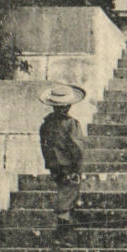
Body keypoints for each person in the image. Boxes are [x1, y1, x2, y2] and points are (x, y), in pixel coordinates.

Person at [38, 83, 87, 235]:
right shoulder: (71, 124)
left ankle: (63, 227)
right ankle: (62, 232)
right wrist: (78, 168)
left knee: (64, 192)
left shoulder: (46, 125)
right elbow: (77, 148)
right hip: (68, 166)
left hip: (54, 166)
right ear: (69, 106)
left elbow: (45, 147)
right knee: (68, 195)